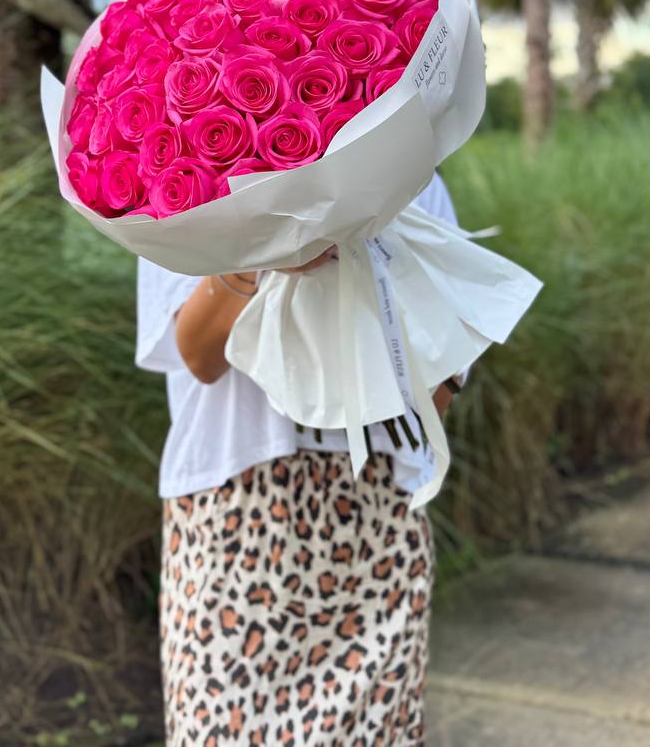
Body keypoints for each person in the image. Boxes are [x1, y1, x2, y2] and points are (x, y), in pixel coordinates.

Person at [135, 173, 468, 746]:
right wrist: (262, 253)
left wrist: (359, 256)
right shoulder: (184, 168)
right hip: (232, 521)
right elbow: (197, 355)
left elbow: (435, 396)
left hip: (374, 523)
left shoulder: (409, 167)